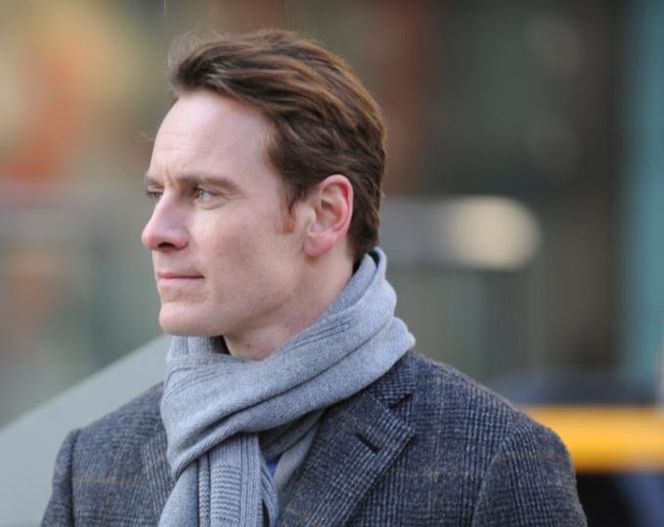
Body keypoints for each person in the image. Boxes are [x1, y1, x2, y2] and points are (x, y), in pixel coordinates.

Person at [42, 29, 586, 526]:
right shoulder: (94, 468)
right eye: (157, 193)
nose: (155, 232)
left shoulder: (491, 463)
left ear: (325, 215)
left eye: (204, 192)